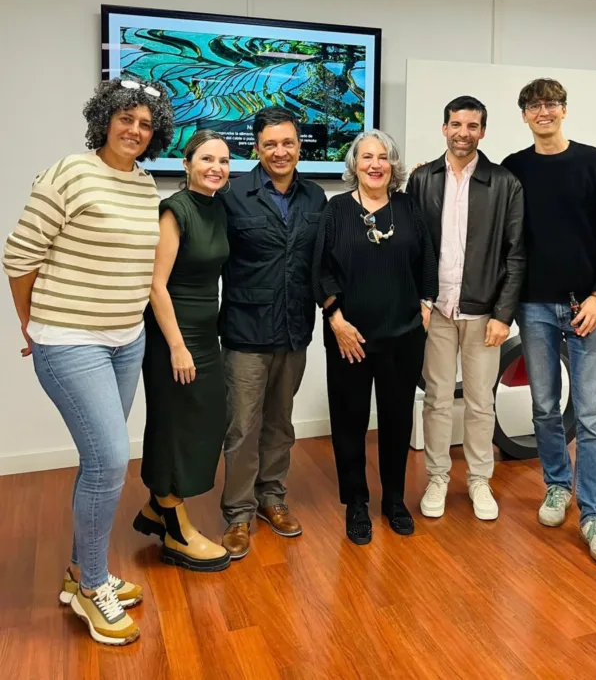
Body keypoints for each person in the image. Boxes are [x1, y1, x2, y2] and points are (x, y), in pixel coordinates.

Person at [2, 78, 174, 645]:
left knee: (97, 462)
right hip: (70, 340)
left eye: (146, 124)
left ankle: (81, 574)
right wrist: (31, 323)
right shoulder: (69, 173)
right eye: (126, 118)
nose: (135, 130)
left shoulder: (146, 186)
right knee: (109, 461)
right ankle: (92, 585)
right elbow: (19, 255)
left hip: (126, 339)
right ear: (104, 120)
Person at [503, 78, 596, 566]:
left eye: (551, 104)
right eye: (535, 106)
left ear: (564, 110)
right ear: (524, 115)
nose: (544, 112)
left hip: (588, 306)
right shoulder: (515, 168)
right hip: (534, 307)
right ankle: (557, 485)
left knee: (594, 418)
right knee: (543, 407)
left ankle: (595, 515)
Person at [313, 130, 438, 545]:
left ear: (393, 165)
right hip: (349, 336)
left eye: (383, 157)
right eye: (367, 157)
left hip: (403, 335)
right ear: (354, 165)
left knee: (397, 420)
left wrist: (425, 306)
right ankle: (357, 503)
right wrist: (336, 319)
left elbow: (427, 261)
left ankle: (395, 500)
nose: (375, 164)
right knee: (348, 422)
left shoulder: (407, 207)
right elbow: (320, 269)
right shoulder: (335, 210)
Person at [407, 96, 525, 521]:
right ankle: (438, 477)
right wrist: (418, 300)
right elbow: (411, 244)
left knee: (480, 403)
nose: (463, 132)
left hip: (483, 315)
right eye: (456, 124)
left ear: (483, 131)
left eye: (472, 126)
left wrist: (503, 314)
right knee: (437, 399)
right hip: (435, 311)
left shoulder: (505, 183)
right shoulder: (422, 179)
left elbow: (516, 255)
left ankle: (479, 480)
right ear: (444, 128)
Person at [218, 108, 327, 559]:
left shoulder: (316, 197)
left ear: (300, 146)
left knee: (281, 422)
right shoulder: (231, 195)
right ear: (256, 148)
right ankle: (239, 513)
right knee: (243, 426)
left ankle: (272, 497)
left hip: (295, 328)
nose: (280, 152)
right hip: (245, 331)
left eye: (288, 143)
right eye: (270, 145)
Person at [133, 130, 231, 572]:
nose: (216, 167)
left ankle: (157, 506)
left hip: (205, 336)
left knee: (206, 420)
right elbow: (156, 285)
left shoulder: (219, 209)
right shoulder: (174, 211)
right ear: (187, 163)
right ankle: (176, 530)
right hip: (173, 338)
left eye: (225, 161)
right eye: (207, 158)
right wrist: (176, 346)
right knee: (173, 425)